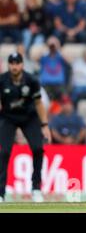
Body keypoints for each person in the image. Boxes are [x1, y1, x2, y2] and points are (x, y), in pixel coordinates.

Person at [0, 52, 52, 203]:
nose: (14, 66)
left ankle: (36, 188)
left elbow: (38, 104)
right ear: (8, 64)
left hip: (29, 118)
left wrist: (45, 125)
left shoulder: (31, 80)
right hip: (8, 118)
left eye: (17, 63)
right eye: (12, 63)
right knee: (3, 152)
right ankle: (0, 193)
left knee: (37, 149)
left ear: (22, 64)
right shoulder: (2, 80)